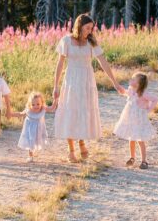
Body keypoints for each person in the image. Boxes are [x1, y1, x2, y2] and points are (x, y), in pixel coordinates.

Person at [52, 13, 126, 163]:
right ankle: (71, 149)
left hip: (87, 81)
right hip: (71, 81)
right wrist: (56, 86)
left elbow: (103, 62)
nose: (90, 31)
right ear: (79, 26)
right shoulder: (66, 40)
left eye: (91, 28)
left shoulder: (91, 42)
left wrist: (114, 82)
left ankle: (82, 142)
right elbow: (60, 64)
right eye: (87, 28)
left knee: (83, 112)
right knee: (70, 113)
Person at [113, 71, 157, 169]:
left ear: (138, 83)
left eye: (133, 79)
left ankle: (144, 161)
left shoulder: (144, 94)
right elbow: (126, 93)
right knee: (131, 138)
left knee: (140, 140)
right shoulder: (131, 90)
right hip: (130, 119)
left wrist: (149, 109)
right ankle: (132, 157)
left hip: (139, 120)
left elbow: (154, 99)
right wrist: (121, 90)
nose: (131, 80)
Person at [11, 91, 58, 161]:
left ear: (42, 103)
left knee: (37, 141)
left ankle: (34, 151)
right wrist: (11, 114)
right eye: (33, 104)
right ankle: (30, 156)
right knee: (31, 141)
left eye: (38, 104)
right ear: (30, 105)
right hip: (30, 130)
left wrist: (56, 99)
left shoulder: (43, 109)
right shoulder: (28, 110)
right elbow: (20, 114)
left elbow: (52, 108)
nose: (36, 106)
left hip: (39, 129)